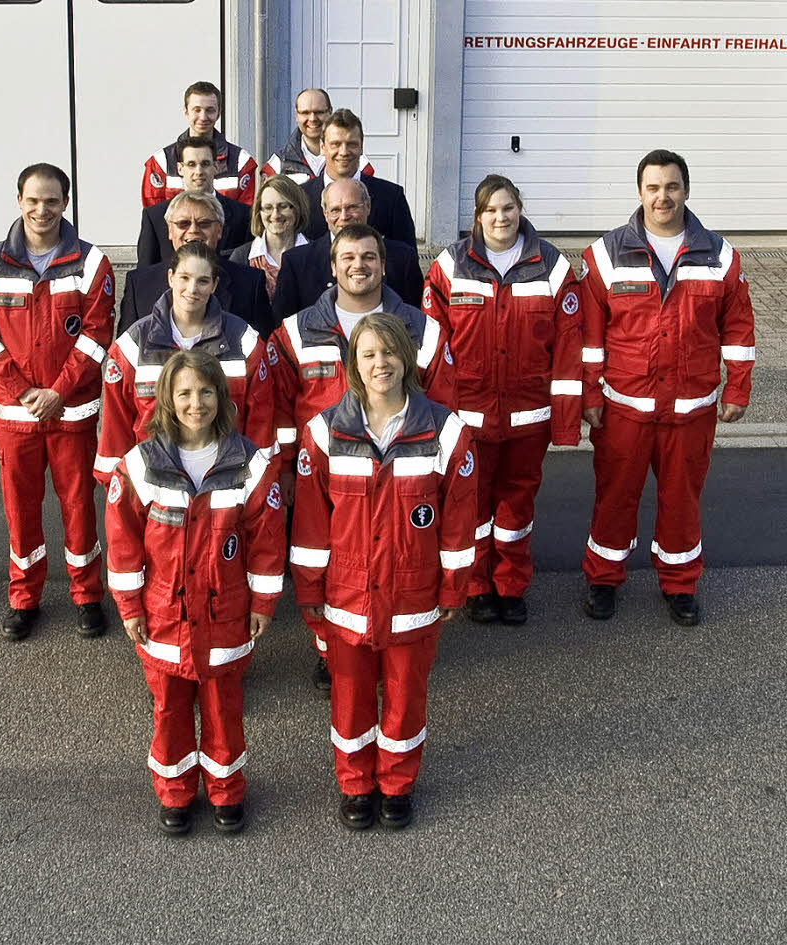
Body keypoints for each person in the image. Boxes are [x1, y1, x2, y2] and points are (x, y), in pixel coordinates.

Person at [291, 313, 477, 830]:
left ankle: (397, 784)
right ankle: (355, 784)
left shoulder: (446, 432)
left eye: (390, 352)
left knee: (405, 696)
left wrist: (453, 589)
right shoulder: (323, 433)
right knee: (350, 697)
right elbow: (310, 524)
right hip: (346, 595)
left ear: (408, 359)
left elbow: (459, 521)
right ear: (352, 363)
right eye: (369, 354)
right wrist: (309, 591)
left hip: (413, 593)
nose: (381, 364)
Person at [105, 349, 285, 835]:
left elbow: (266, 541)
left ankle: (226, 791)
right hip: (163, 616)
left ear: (221, 397)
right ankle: (176, 792)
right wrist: (129, 608)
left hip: (227, 613)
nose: (195, 402)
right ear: (167, 398)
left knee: (224, 709)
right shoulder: (141, 464)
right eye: (184, 392)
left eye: (206, 392)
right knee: (169, 711)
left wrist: (263, 602)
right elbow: (123, 545)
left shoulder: (249, 463)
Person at [269, 223, 453, 690]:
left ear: (384, 265)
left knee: (397, 556)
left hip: (401, 468)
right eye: (348, 257)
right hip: (325, 469)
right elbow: (279, 408)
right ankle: (330, 648)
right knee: (328, 559)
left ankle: (394, 642)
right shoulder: (295, 331)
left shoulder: (422, 329)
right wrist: (287, 467)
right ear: (332, 267)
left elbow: (443, 402)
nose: (359, 265)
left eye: (369, 257)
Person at [579, 149, 755, 626]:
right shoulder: (605, 255)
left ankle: (680, 584)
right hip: (624, 408)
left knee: (681, 501)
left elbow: (738, 328)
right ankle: (603, 579)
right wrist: (590, 396)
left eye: (672, 187)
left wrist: (737, 389)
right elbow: (589, 337)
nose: (663, 197)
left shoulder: (719, 256)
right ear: (639, 192)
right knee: (615, 496)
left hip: (690, 407)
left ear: (686, 191)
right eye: (653, 187)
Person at [422, 174, 583, 625]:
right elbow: (433, 348)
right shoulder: (449, 267)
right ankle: (476, 585)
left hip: (529, 417)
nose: (501, 217)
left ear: (520, 210)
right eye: (491, 210)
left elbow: (569, 347)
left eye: (508, 207)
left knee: (517, 505)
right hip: (468, 417)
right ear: (477, 216)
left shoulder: (552, 267)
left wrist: (566, 422)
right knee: (471, 505)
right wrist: (437, 420)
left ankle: (510, 584)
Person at [0, 162, 115, 641]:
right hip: (16, 414)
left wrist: (58, 392)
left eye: (51, 201)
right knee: (21, 509)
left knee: (79, 506)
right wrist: (23, 392)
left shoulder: (92, 263)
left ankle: (87, 595)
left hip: (71, 412)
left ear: (65, 203)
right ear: (18, 201)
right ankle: (24, 598)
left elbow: (97, 335)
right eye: (33, 200)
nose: (42, 210)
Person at [95, 241, 275, 480]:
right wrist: (117, 485)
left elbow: (261, 423)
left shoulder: (244, 342)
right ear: (170, 278)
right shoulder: (133, 345)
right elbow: (114, 427)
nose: (192, 289)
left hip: (226, 480)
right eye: (184, 278)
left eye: (203, 281)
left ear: (215, 285)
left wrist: (259, 482)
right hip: (153, 481)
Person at [119, 192, 272, 338]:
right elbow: (125, 349)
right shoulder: (139, 285)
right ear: (170, 230)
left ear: (219, 230)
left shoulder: (250, 283)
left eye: (204, 224)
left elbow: (262, 348)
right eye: (183, 224)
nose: (193, 230)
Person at [272, 177, 423, 320]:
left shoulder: (402, 258)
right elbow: (283, 328)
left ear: (368, 207)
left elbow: (415, 319)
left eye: (352, 207)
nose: (344, 216)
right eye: (335, 210)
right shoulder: (296, 262)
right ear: (325, 214)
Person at [300, 109, 416, 248]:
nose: (344, 152)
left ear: (361, 147)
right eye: (336, 144)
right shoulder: (301, 198)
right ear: (322, 147)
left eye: (351, 144)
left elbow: (407, 257)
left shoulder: (391, 197)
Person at [136, 136, 250, 267]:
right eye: (191, 164)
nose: (199, 171)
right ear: (180, 168)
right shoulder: (155, 216)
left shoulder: (243, 215)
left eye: (205, 164)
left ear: (216, 166)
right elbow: (146, 272)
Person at [141, 80, 257, 208]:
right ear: (186, 111)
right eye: (197, 110)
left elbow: (245, 215)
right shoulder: (161, 163)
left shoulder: (241, 162)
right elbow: (154, 215)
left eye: (210, 110)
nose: (203, 117)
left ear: (219, 113)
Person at [260, 88, 375, 184]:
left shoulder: (359, 164)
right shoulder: (278, 165)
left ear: (330, 112)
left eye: (319, 112)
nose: (312, 119)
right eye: (305, 113)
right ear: (296, 115)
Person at [229, 174, 310, 301]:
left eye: (283, 206)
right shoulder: (241, 257)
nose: (275, 215)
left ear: (297, 208)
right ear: (259, 212)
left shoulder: (316, 254)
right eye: (268, 208)